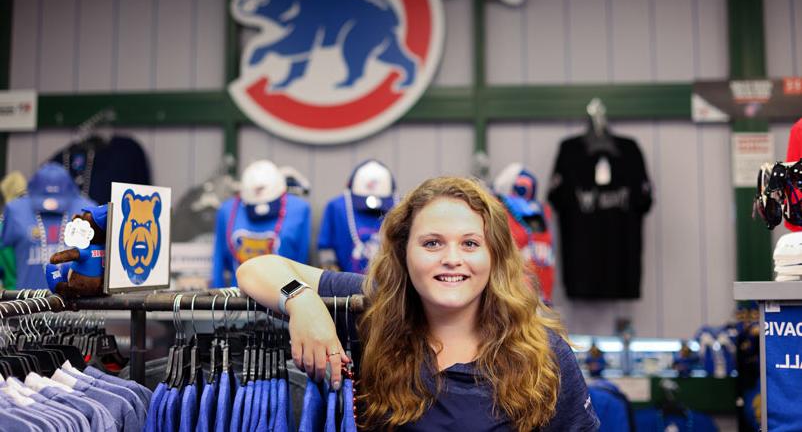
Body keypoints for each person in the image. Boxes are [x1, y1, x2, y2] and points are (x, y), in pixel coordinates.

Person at [237, 176, 600, 431]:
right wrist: (301, 301)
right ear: (403, 253)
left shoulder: (544, 355)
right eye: (432, 243)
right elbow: (256, 268)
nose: (452, 258)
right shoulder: (370, 311)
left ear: (494, 256)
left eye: (470, 244)